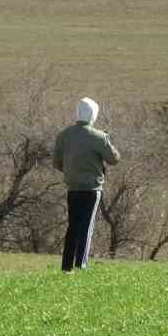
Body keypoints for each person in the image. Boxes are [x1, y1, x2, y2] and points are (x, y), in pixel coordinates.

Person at [53, 97, 121, 272]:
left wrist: (70, 170)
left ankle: (66, 267)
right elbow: (114, 159)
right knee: (86, 227)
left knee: (73, 226)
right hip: (92, 189)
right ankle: (81, 265)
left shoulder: (64, 135)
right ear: (93, 115)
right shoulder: (99, 136)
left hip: (72, 187)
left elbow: (56, 162)